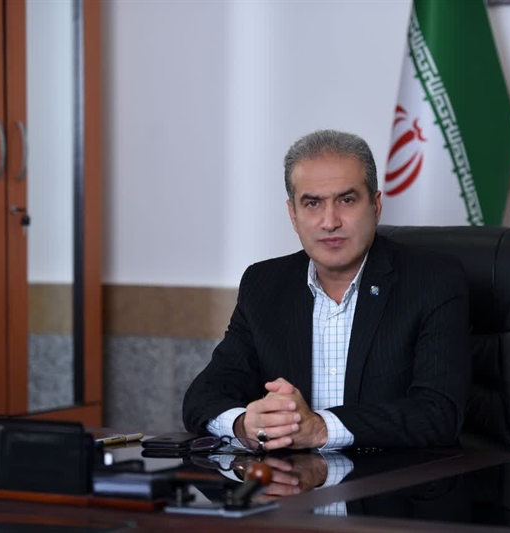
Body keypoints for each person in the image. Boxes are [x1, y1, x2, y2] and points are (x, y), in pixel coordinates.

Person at [182, 129, 470, 451]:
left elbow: (439, 413)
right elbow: (202, 397)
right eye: (312, 203)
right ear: (293, 215)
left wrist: (320, 429)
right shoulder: (264, 284)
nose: (329, 221)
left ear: (375, 206)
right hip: (293, 480)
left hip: (391, 478)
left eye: (346, 200)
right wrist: (245, 425)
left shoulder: (432, 281)